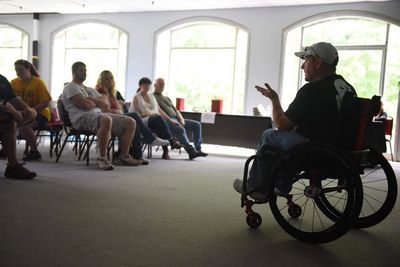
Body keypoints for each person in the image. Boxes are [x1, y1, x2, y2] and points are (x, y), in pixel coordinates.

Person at [233, 42, 356, 201]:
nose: (302, 66)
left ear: (317, 62)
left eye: (305, 60)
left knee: (270, 135)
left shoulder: (313, 90)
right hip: (343, 151)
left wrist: (274, 99)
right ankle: (281, 184)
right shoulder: (348, 88)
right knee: (291, 136)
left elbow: (283, 124)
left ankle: (256, 187)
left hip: (317, 150)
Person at [62, 62, 140, 170]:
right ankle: (102, 158)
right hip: (80, 119)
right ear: (74, 72)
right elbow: (84, 105)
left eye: (85, 70)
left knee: (131, 122)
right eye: (81, 70)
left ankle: (123, 156)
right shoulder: (70, 87)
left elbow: (104, 103)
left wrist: (91, 100)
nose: (85, 73)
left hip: (98, 115)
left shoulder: (88, 89)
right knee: (106, 119)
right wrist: (94, 102)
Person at [95, 70, 169, 164]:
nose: (110, 80)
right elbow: (104, 110)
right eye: (106, 78)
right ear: (101, 80)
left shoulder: (112, 92)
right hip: (107, 118)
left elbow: (119, 108)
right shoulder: (100, 92)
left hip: (117, 116)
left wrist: (117, 109)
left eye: (111, 78)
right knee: (135, 115)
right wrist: (117, 110)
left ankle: (138, 156)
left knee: (136, 124)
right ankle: (151, 139)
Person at [130, 77, 188, 160]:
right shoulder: (136, 97)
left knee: (160, 123)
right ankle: (171, 143)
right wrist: (151, 114)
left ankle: (168, 148)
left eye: (148, 86)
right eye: (144, 86)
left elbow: (159, 111)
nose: (147, 88)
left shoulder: (151, 96)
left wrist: (171, 120)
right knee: (158, 119)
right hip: (142, 120)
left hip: (154, 120)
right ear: (140, 86)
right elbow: (136, 114)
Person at [153, 78, 208, 157]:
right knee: (180, 129)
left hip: (176, 118)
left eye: (163, 85)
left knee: (197, 125)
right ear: (155, 85)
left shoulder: (167, 98)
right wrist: (171, 120)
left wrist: (181, 119)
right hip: (166, 121)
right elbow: (159, 111)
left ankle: (198, 149)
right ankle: (191, 151)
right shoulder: (152, 97)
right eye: (160, 84)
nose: (162, 86)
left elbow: (176, 110)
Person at [10, 59, 52, 161]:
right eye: (16, 70)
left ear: (28, 69)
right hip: (20, 112)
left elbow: (46, 102)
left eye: (20, 69)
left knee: (24, 126)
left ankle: (34, 152)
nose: (18, 72)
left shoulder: (38, 82)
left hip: (39, 113)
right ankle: (7, 149)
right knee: (8, 124)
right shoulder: (13, 82)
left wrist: (30, 111)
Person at [0, 74, 37, 179]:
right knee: (10, 121)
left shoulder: (2, 79)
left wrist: (27, 108)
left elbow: (13, 98)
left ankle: (13, 166)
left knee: (11, 122)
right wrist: (12, 111)